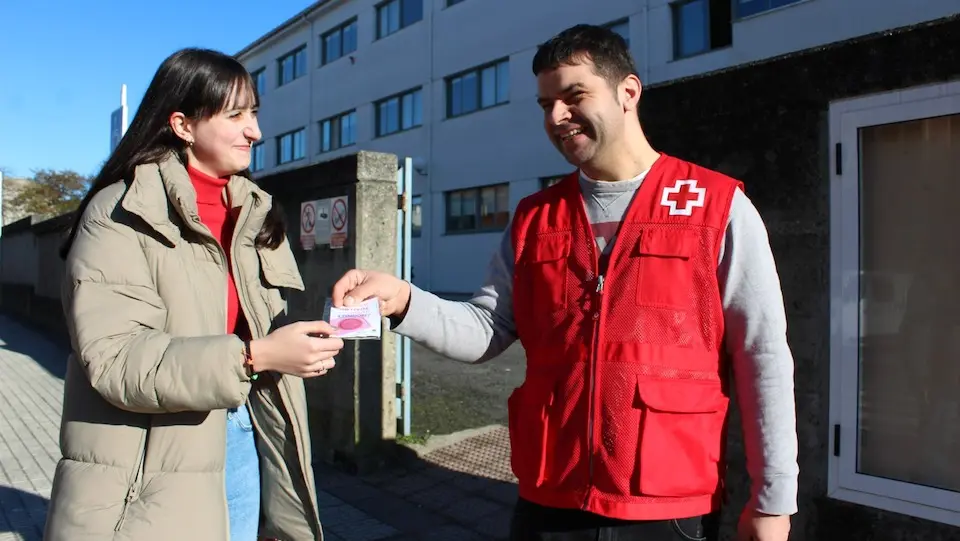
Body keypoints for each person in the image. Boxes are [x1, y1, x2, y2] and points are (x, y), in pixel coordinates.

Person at [332, 24, 798, 541]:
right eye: (545, 104)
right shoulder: (535, 218)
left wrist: (773, 501)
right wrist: (402, 300)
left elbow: (763, 357)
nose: (557, 117)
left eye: (574, 96)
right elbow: (488, 328)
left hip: (670, 508)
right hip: (549, 500)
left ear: (628, 92)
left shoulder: (715, 207)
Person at [43, 48, 343, 541]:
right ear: (183, 125)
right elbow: (117, 360)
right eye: (236, 115)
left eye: (255, 114)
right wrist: (257, 355)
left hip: (245, 432)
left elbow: (253, 326)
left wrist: (320, 325)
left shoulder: (256, 212)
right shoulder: (120, 213)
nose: (256, 132)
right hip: (151, 457)